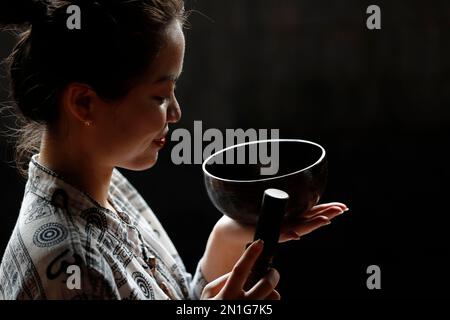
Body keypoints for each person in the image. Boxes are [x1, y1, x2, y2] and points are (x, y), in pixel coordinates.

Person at [0, 0, 348, 300]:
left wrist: (230, 234)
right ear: (85, 103)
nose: (176, 114)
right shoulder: (71, 265)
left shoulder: (107, 187)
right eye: (160, 96)